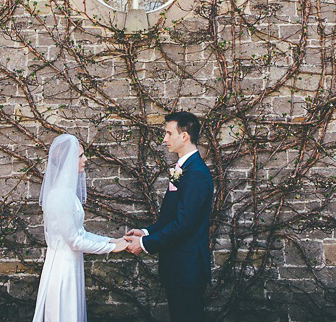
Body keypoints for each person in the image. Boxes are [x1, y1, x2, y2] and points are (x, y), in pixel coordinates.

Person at [125, 111, 214, 322]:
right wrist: (146, 231)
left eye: (168, 133)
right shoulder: (184, 169)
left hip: (187, 269)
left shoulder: (196, 174)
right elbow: (171, 217)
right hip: (178, 268)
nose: (164, 140)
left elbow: (184, 225)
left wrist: (145, 243)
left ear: (184, 136)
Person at [32, 134, 128, 322]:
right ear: (67, 160)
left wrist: (111, 240)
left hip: (70, 264)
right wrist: (112, 248)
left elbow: (80, 233)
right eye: (80, 156)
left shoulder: (66, 193)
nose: (85, 159)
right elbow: (75, 241)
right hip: (62, 269)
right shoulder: (61, 195)